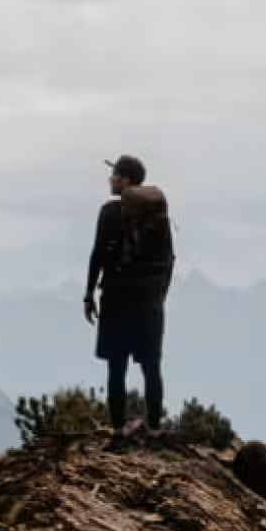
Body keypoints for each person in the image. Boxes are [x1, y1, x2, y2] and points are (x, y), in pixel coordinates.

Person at [82, 154, 175, 437]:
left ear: (125, 180)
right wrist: (159, 296)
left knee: (116, 367)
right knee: (151, 368)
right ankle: (155, 430)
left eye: (114, 176)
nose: (110, 180)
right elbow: (170, 259)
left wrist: (89, 294)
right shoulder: (159, 215)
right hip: (150, 303)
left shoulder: (110, 212)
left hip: (117, 299)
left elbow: (98, 254)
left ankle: (118, 430)